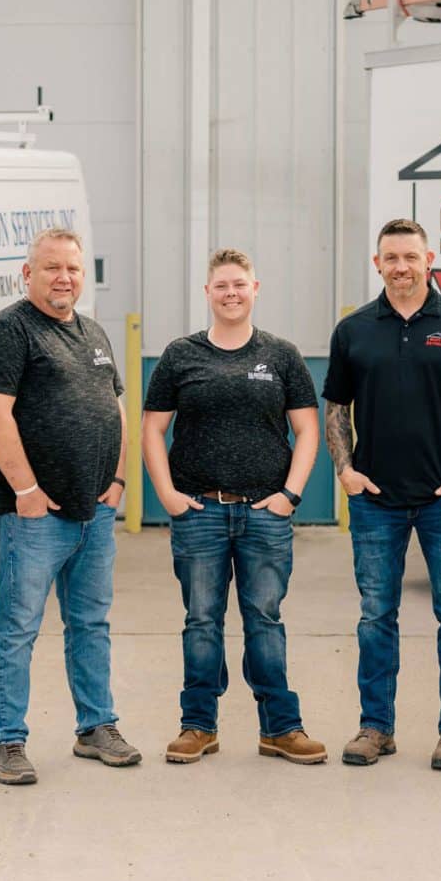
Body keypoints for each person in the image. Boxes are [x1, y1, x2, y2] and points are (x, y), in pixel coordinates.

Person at [323, 217, 441, 771]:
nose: (401, 267)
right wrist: (346, 471)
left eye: (410, 257)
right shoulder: (353, 330)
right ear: (377, 264)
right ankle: (376, 727)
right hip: (375, 500)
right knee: (376, 617)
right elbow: (335, 408)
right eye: (390, 258)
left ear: (430, 261)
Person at [142, 248, 326, 765]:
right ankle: (198, 725)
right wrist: (167, 495)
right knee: (201, 620)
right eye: (221, 285)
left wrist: (290, 495)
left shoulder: (282, 355)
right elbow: (152, 430)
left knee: (264, 619)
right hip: (198, 511)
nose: (230, 293)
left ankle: (281, 728)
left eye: (239, 285)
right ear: (207, 293)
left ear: (255, 288)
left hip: (265, 514)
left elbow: (308, 428)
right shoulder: (181, 355)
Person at [0, 227, 139, 785]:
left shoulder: (92, 332)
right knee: (17, 627)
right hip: (34, 517)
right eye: (51, 269)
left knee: (90, 622)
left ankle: (96, 727)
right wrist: (25, 491)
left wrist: (116, 479)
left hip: (95, 513)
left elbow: (114, 407)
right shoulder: (9, 332)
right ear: (28, 274)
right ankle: (6, 740)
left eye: (72, 269)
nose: (64, 278)